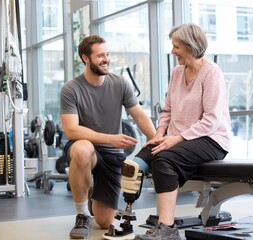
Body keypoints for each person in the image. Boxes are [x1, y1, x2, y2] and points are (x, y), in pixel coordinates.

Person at [123, 23, 231, 240]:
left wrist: (177, 139)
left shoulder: (211, 73)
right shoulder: (176, 73)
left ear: (191, 46)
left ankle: (167, 227)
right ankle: (125, 216)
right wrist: (160, 134)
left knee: (163, 161)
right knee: (133, 165)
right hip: (176, 137)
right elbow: (168, 109)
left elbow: (211, 119)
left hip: (211, 139)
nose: (173, 51)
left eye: (177, 46)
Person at [60, 34, 156, 239]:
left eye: (108, 54)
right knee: (83, 149)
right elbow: (71, 130)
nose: (106, 59)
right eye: (100, 55)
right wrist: (111, 138)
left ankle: (92, 193)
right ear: (85, 58)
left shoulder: (120, 83)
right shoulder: (71, 89)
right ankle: (82, 215)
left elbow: (139, 115)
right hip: (85, 149)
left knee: (104, 222)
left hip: (112, 155)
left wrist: (157, 141)